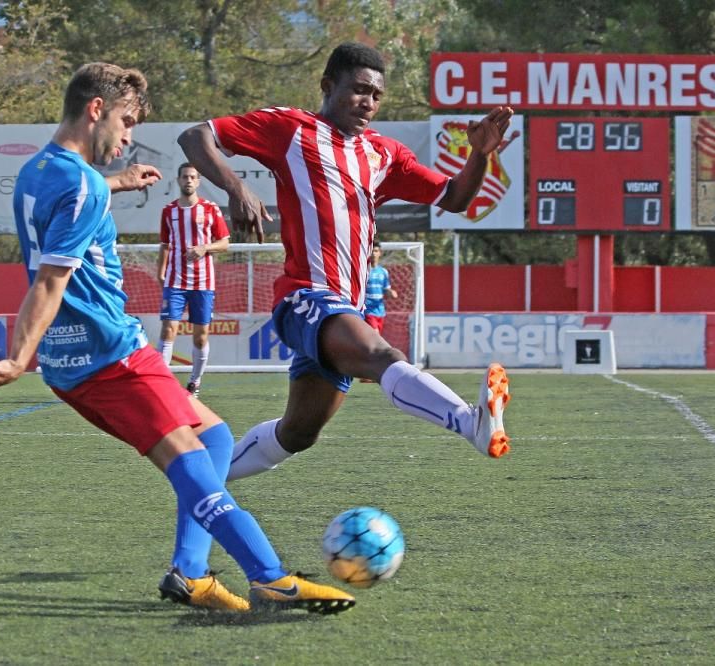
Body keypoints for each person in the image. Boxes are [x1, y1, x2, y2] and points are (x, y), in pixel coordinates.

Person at [0, 62, 354, 614]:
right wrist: (14, 359)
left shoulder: (40, 171)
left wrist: (119, 183)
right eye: (125, 123)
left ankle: (190, 574)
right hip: (109, 356)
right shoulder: (81, 185)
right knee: (190, 458)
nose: (128, 139)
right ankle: (270, 577)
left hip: (78, 358)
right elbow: (51, 281)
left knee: (216, 438)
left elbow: (72, 202)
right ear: (95, 110)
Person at [177, 42, 513, 482]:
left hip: (344, 310)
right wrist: (236, 189)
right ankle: (471, 423)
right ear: (327, 86)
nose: (368, 103)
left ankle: (203, 484)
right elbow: (195, 136)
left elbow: (454, 197)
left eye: (376, 95)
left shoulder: (384, 154)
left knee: (297, 433)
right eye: (358, 90)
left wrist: (480, 155)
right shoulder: (290, 129)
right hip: (306, 297)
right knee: (382, 354)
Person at [156, 163, 230, 397]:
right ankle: (161, 386)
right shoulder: (168, 211)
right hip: (175, 281)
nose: (188, 180)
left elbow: (225, 243)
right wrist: (161, 271)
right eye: (184, 177)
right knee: (168, 330)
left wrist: (204, 248)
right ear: (178, 180)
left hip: (203, 283)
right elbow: (165, 245)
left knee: (201, 336)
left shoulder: (210, 209)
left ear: (198, 181)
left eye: (193, 177)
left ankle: (194, 382)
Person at [363, 241, 397, 335]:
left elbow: (386, 289)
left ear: (380, 253)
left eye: (376, 251)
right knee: (375, 335)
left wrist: (391, 292)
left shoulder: (383, 272)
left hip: (380, 311)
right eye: (372, 251)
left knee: (373, 339)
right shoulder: (364, 270)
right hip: (368, 310)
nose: (374, 253)